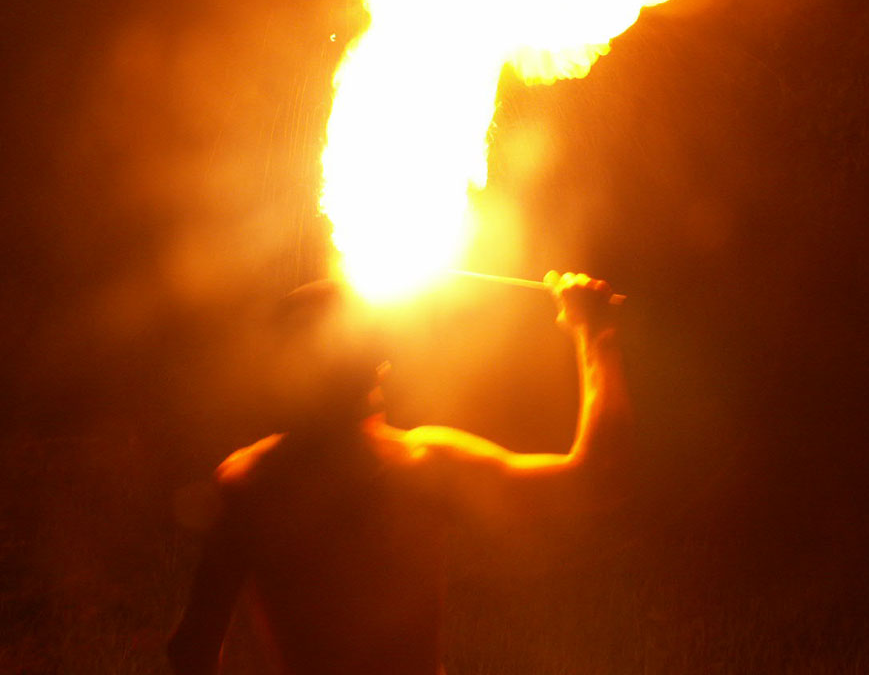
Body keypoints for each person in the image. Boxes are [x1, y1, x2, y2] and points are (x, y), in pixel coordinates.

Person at [167, 271, 632, 675]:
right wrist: (595, 333)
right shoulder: (421, 467)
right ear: (375, 370)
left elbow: (193, 646)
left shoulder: (248, 482)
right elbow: (598, 478)